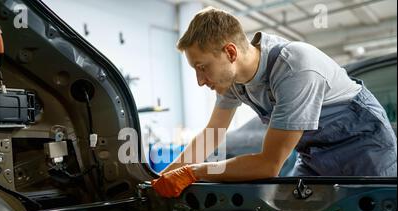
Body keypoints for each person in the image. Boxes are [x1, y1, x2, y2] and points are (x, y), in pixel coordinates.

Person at [151, 7, 397, 198]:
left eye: (202, 68)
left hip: (366, 150)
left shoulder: (295, 67)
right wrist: (162, 177)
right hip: (316, 156)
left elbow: (268, 165)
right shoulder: (233, 82)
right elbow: (211, 136)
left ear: (230, 53)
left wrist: (194, 172)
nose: (200, 81)